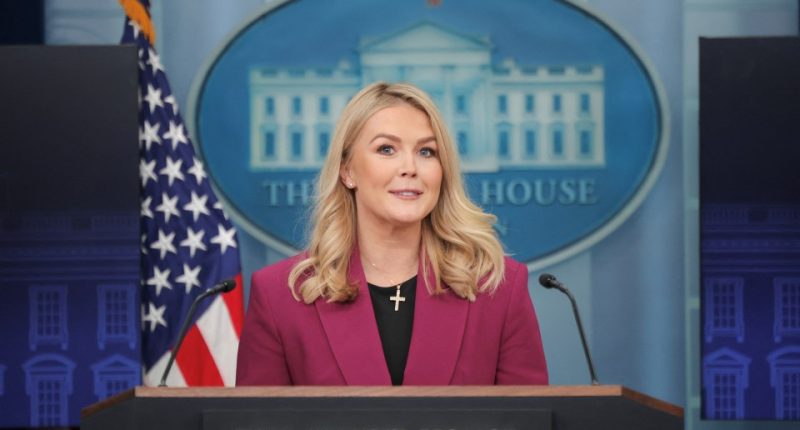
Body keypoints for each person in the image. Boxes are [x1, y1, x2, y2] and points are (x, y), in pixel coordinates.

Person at [236, 82, 548, 386]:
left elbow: (528, 418)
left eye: (427, 152)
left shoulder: (498, 289)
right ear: (347, 171)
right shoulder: (279, 295)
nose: (410, 167)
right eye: (387, 149)